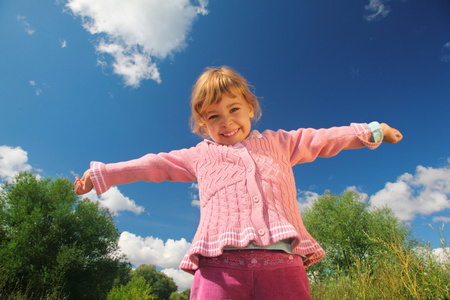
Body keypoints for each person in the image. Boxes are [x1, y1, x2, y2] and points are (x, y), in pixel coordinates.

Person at [74, 66, 403, 299]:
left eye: (234, 109)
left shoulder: (280, 143)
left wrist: (374, 130)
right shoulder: (199, 155)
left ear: (250, 107)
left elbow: (323, 139)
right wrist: (102, 173)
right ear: (203, 123)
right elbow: (153, 164)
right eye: (214, 116)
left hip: (283, 266)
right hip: (220, 269)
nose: (227, 122)